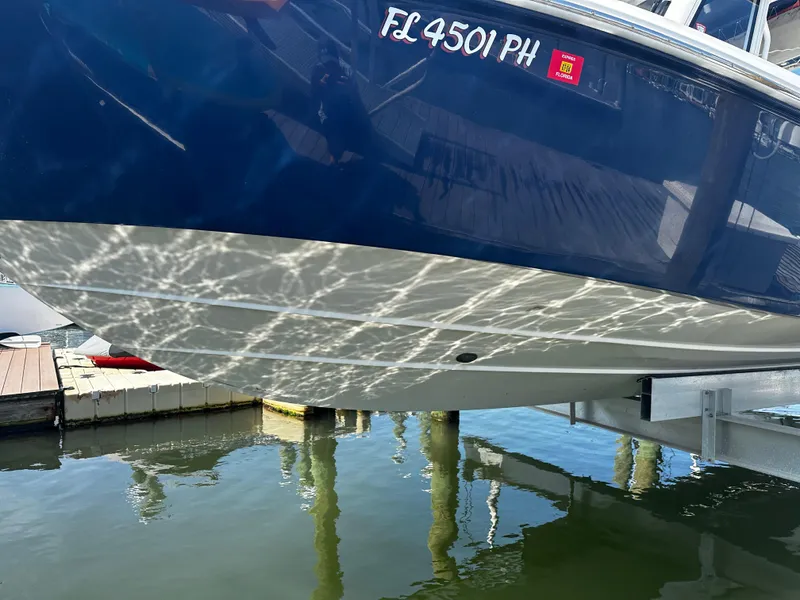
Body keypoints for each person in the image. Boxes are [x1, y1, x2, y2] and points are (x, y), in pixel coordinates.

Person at [311, 39, 372, 164]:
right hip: (328, 112)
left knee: (362, 134)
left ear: (337, 59)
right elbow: (313, 94)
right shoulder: (317, 70)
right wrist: (319, 85)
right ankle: (334, 157)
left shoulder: (347, 71)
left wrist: (348, 88)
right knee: (335, 140)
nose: (330, 68)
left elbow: (356, 97)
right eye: (326, 64)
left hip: (347, 107)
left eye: (332, 63)